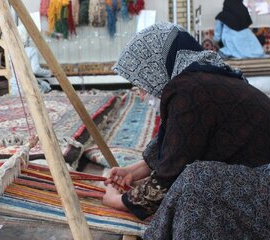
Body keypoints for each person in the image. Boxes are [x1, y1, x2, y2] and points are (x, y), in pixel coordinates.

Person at [102, 22, 270, 238]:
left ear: (156, 66)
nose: (142, 93)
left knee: (197, 181)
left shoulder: (189, 89)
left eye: (142, 81)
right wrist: (132, 172)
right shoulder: (204, 78)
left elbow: (169, 175)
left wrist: (117, 201)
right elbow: (182, 142)